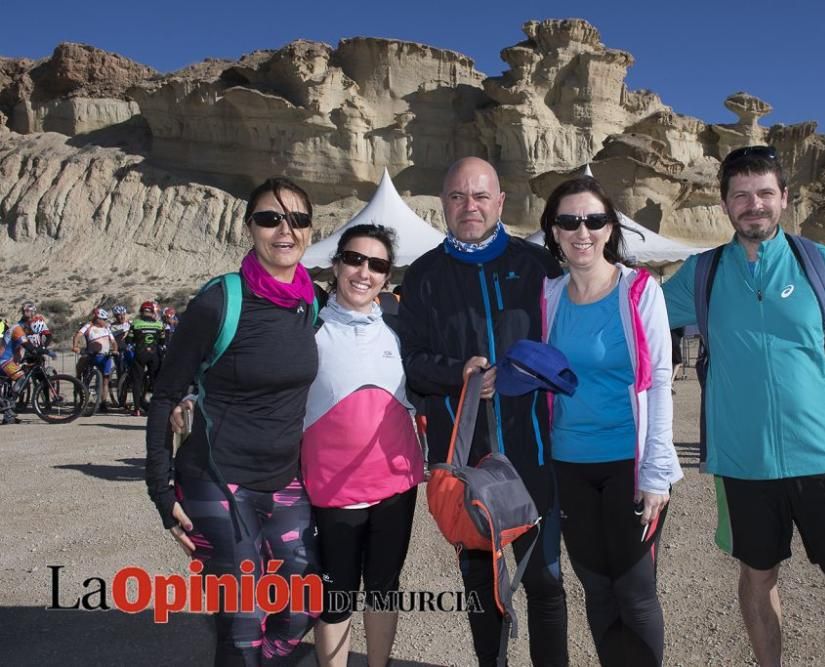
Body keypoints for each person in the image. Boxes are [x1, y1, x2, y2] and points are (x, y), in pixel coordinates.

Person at [663, 145, 825, 667]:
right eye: (740, 195)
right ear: (724, 205)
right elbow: (634, 306)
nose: (753, 204)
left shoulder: (822, 263)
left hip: (821, 456)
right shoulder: (702, 273)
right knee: (758, 577)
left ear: (784, 198)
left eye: (764, 193)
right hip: (743, 462)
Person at [397, 157, 568, 666]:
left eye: (479, 196)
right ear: (443, 205)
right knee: (480, 583)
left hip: (534, 453)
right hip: (466, 461)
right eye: (456, 197)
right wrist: (460, 372)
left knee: (544, 582)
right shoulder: (423, 275)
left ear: (500, 203)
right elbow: (411, 364)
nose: (468, 206)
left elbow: (564, 346)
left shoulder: (538, 266)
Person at [146, 177, 320, 666]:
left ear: (310, 230)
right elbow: (164, 397)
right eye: (270, 218)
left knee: (302, 606)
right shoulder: (219, 301)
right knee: (241, 625)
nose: (285, 230)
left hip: (284, 481)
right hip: (216, 483)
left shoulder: (313, 301)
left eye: (298, 219)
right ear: (249, 228)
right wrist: (161, 493)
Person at [537, 176, 682, 665]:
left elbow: (659, 380)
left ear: (610, 228)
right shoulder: (548, 297)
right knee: (596, 587)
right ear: (553, 231)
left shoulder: (640, 291)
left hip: (628, 461)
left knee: (635, 590)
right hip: (569, 463)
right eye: (569, 221)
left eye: (594, 220)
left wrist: (656, 472)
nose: (583, 231)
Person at [303, 224, 423, 667]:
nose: (363, 272)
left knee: (383, 590)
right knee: (335, 599)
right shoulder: (308, 327)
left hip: (396, 486)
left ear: (387, 276)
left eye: (377, 265)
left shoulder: (398, 328)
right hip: (332, 491)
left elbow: (430, 381)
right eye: (354, 259)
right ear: (336, 265)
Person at [72, 308, 118, 412]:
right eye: (103, 319)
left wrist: (115, 349)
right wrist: (75, 346)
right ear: (97, 318)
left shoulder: (106, 328)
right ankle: (79, 395)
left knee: (105, 380)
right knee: (79, 371)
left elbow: (113, 341)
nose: (104, 321)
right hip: (91, 355)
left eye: (105, 319)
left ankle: (103, 403)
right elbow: (78, 335)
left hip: (105, 356)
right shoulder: (89, 326)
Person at [126, 301, 167, 416]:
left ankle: (137, 409)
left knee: (137, 381)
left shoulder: (136, 323)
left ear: (141, 311)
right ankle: (155, 408)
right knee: (155, 381)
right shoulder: (159, 324)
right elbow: (163, 341)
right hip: (154, 354)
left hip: (140, 353)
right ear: (153, 312)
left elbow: (129, 340)